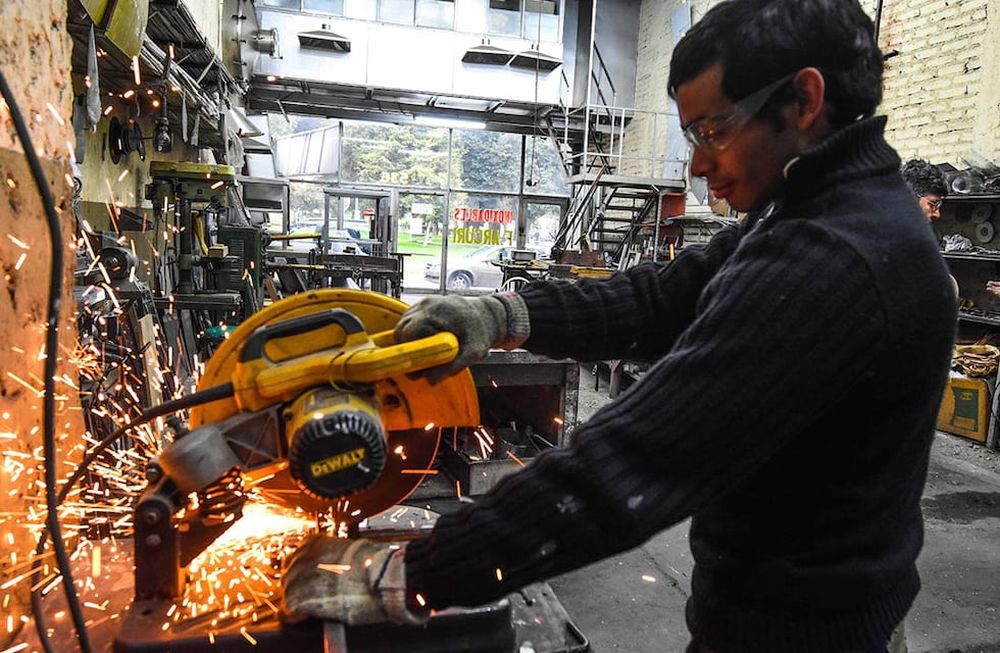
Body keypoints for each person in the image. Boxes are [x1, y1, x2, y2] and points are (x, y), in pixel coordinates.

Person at [281, 1, 958, 651]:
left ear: (804, 100)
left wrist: (410, 574)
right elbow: (660, 297)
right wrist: (505, 314)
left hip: (805, 635)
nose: (697, 164)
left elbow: (640, 457)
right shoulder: (810, 211)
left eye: (713, 131)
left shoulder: (834, 258)